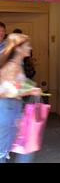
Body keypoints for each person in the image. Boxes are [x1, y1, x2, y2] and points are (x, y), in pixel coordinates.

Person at [0, 33, 42, 163]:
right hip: (7, 109)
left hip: (12, 109)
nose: (30, 48)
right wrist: (30, 90)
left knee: (24, 145)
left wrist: (30, 87)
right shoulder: (12, 65)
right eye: (27, 45)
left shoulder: (17, 65)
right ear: (18, 48)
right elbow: (6, 91)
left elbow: (18, 84)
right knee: (11, 148)